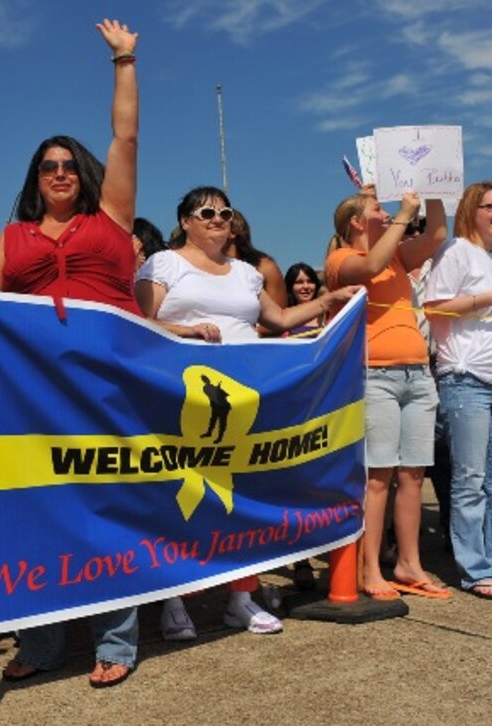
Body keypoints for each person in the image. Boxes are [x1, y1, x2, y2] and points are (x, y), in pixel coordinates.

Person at [0, 18, 141, 689]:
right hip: (37, 395)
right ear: (35, 177)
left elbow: (126, 136)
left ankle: (117, 642)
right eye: (49, 166)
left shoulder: (112, 219)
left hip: (111, 384)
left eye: (70, 164)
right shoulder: (10, 238)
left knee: (111, 508)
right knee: (40, 512)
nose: (60, 173)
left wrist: (124, 60)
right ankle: (42, 643)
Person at [135, 185, 359, 634]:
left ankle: (242, 596)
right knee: (184, 495)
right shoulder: (163, 263)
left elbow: (279, 321)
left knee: (241, 495)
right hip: (182, 396)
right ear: (185, 221)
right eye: (206, 212)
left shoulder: (245, 272)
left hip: (246, 400)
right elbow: (139, 322)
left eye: (225, 212)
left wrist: (328, 302)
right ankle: (174, 599)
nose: (218, 219)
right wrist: (188, 330)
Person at [323, 187, 449, 600]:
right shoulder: (342, 258)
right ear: (357, 222)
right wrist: (404, 215)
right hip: (374, 376)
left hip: (416, 376)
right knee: (378, 478)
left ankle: (409, 563)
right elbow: (371, 264)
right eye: (378, 208)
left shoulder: (395, 254)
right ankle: (369, 567)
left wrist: (431, 191)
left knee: (413, 474)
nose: (388, 212)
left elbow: (436, 235)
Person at [422, 181, 492, 600]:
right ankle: (475, 569)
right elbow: (434, 308)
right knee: (470, 479)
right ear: (472, 209)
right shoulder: (454, 250)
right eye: (491, 206)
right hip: (466, 376)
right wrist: (487, 297)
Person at [284, 262, 325, 332]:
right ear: (290, 287)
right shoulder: (282, 316)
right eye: (299, 282)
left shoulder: (326, 315)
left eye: (310, 281)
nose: (306, 286)